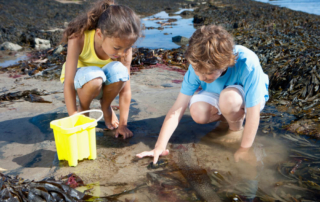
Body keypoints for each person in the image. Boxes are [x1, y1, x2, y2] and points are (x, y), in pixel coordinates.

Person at [136, 25, 269, 164]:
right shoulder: (198, 65)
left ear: (225, 63)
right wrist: (159, 147)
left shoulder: (247, 63)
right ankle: (228, 115)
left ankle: (235, 128)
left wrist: (244, 148)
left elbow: (254, 112)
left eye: (207, 73)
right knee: (198, 112)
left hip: (242, 97)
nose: (201, 78)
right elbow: (178, 108)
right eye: (197, 71)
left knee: (229, 99)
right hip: (216, 91)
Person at [60, 0, 141, 139]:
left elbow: (126, 89)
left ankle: (106, 105)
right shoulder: (78, 38)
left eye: (126, 48)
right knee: (95, 78)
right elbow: (69, 83)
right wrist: (73, 115)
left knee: (121, 72)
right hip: (83, 82)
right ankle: (84, 110)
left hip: (104, 82)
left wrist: (123, 125)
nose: (122, 53)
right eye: (117, 48)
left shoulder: (124, 49)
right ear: (99, 34)